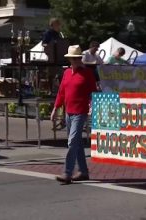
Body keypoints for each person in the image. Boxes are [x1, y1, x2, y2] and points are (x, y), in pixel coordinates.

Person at [50, 45, 97, 184]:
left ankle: (67, 173)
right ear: (69, 59)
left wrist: (92, 105)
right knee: (76, 143)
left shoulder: (87, 73)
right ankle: (83, 171)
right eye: (73, 58)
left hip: (80, 112)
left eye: (77, 58)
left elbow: (93, 91)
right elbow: (61, 92)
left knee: (72, 142)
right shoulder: (66, 73)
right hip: (68, 112)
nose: (75, 61)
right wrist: (55, 108)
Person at [42, 18, 64, 95]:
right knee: (51, 74)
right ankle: (50, 91)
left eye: (59, 24)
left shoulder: (59, 34)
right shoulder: (48, 33)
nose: (58, 26)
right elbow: (44, 44)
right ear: (52, 25)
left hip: (59, 57)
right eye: (57, 24)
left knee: (61, 74)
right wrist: (49, 46)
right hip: (51, 57)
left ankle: (61, 90)